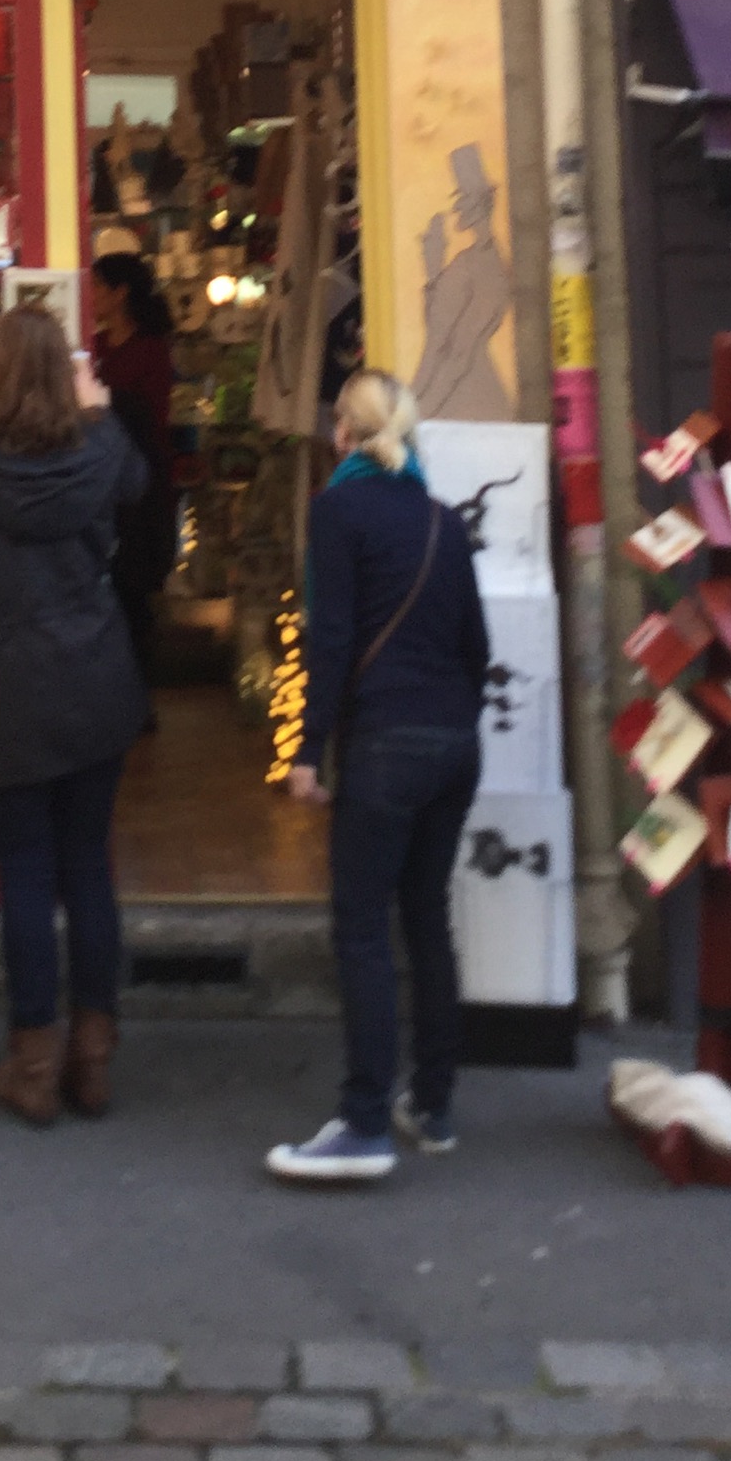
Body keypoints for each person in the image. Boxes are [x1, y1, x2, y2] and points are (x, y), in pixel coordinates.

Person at [0, 306, 148, 1128]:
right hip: (96, 678)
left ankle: (34, 1064)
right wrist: (99, 410)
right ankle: (93, 1058)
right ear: (67, 375)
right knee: (87, 864)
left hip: (10, 688)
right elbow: (139, 487)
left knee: (24, 873)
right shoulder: (102, 453)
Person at [266, 369, 489, 1185]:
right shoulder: (443, 520)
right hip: (454, 742)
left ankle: (364, 1122)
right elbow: (477, 644)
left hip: (386, 744)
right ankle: (432, 1105)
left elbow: (329, 639)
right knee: (427, 918)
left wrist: (305, 750)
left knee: (361, 927)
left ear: (342, 434)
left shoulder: (337, 511)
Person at [86, 251, 178, 701]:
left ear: (119, 293)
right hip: (100, 481)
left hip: (141, 486)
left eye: (97, 287)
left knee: (133, 588)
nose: (90, 296)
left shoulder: (150, 350)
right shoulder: (95, 347)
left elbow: (153, 420)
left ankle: (137, 695)